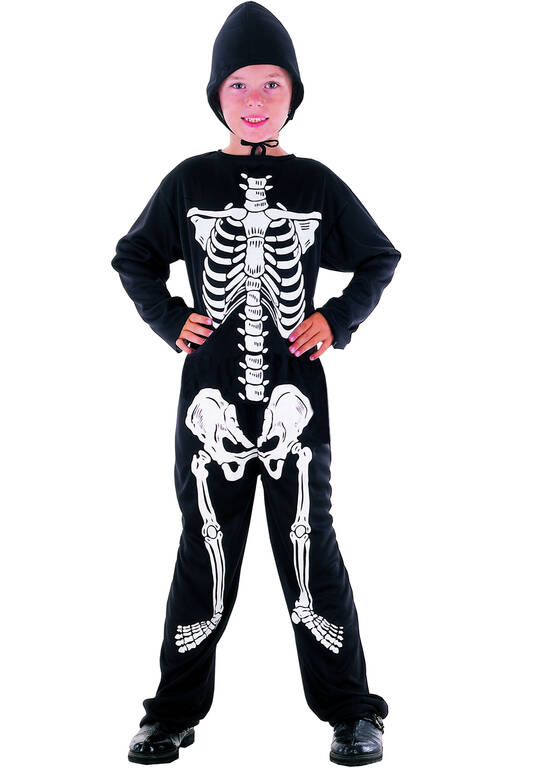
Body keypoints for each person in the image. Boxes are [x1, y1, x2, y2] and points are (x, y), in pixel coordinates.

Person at [111, 3, 400, 764]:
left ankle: (352, 712)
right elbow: (133, 257)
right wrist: (171, 318)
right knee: (204, 550)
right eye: (238, 83)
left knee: (312, 547)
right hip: (209, 393)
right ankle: (171, 713)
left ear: (293, 93)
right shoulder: (189, 181)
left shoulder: (316, 184)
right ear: (217, 94)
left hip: (295, 393)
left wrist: (335, 320)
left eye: (272, 83)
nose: (255, 98)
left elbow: (380, 257)